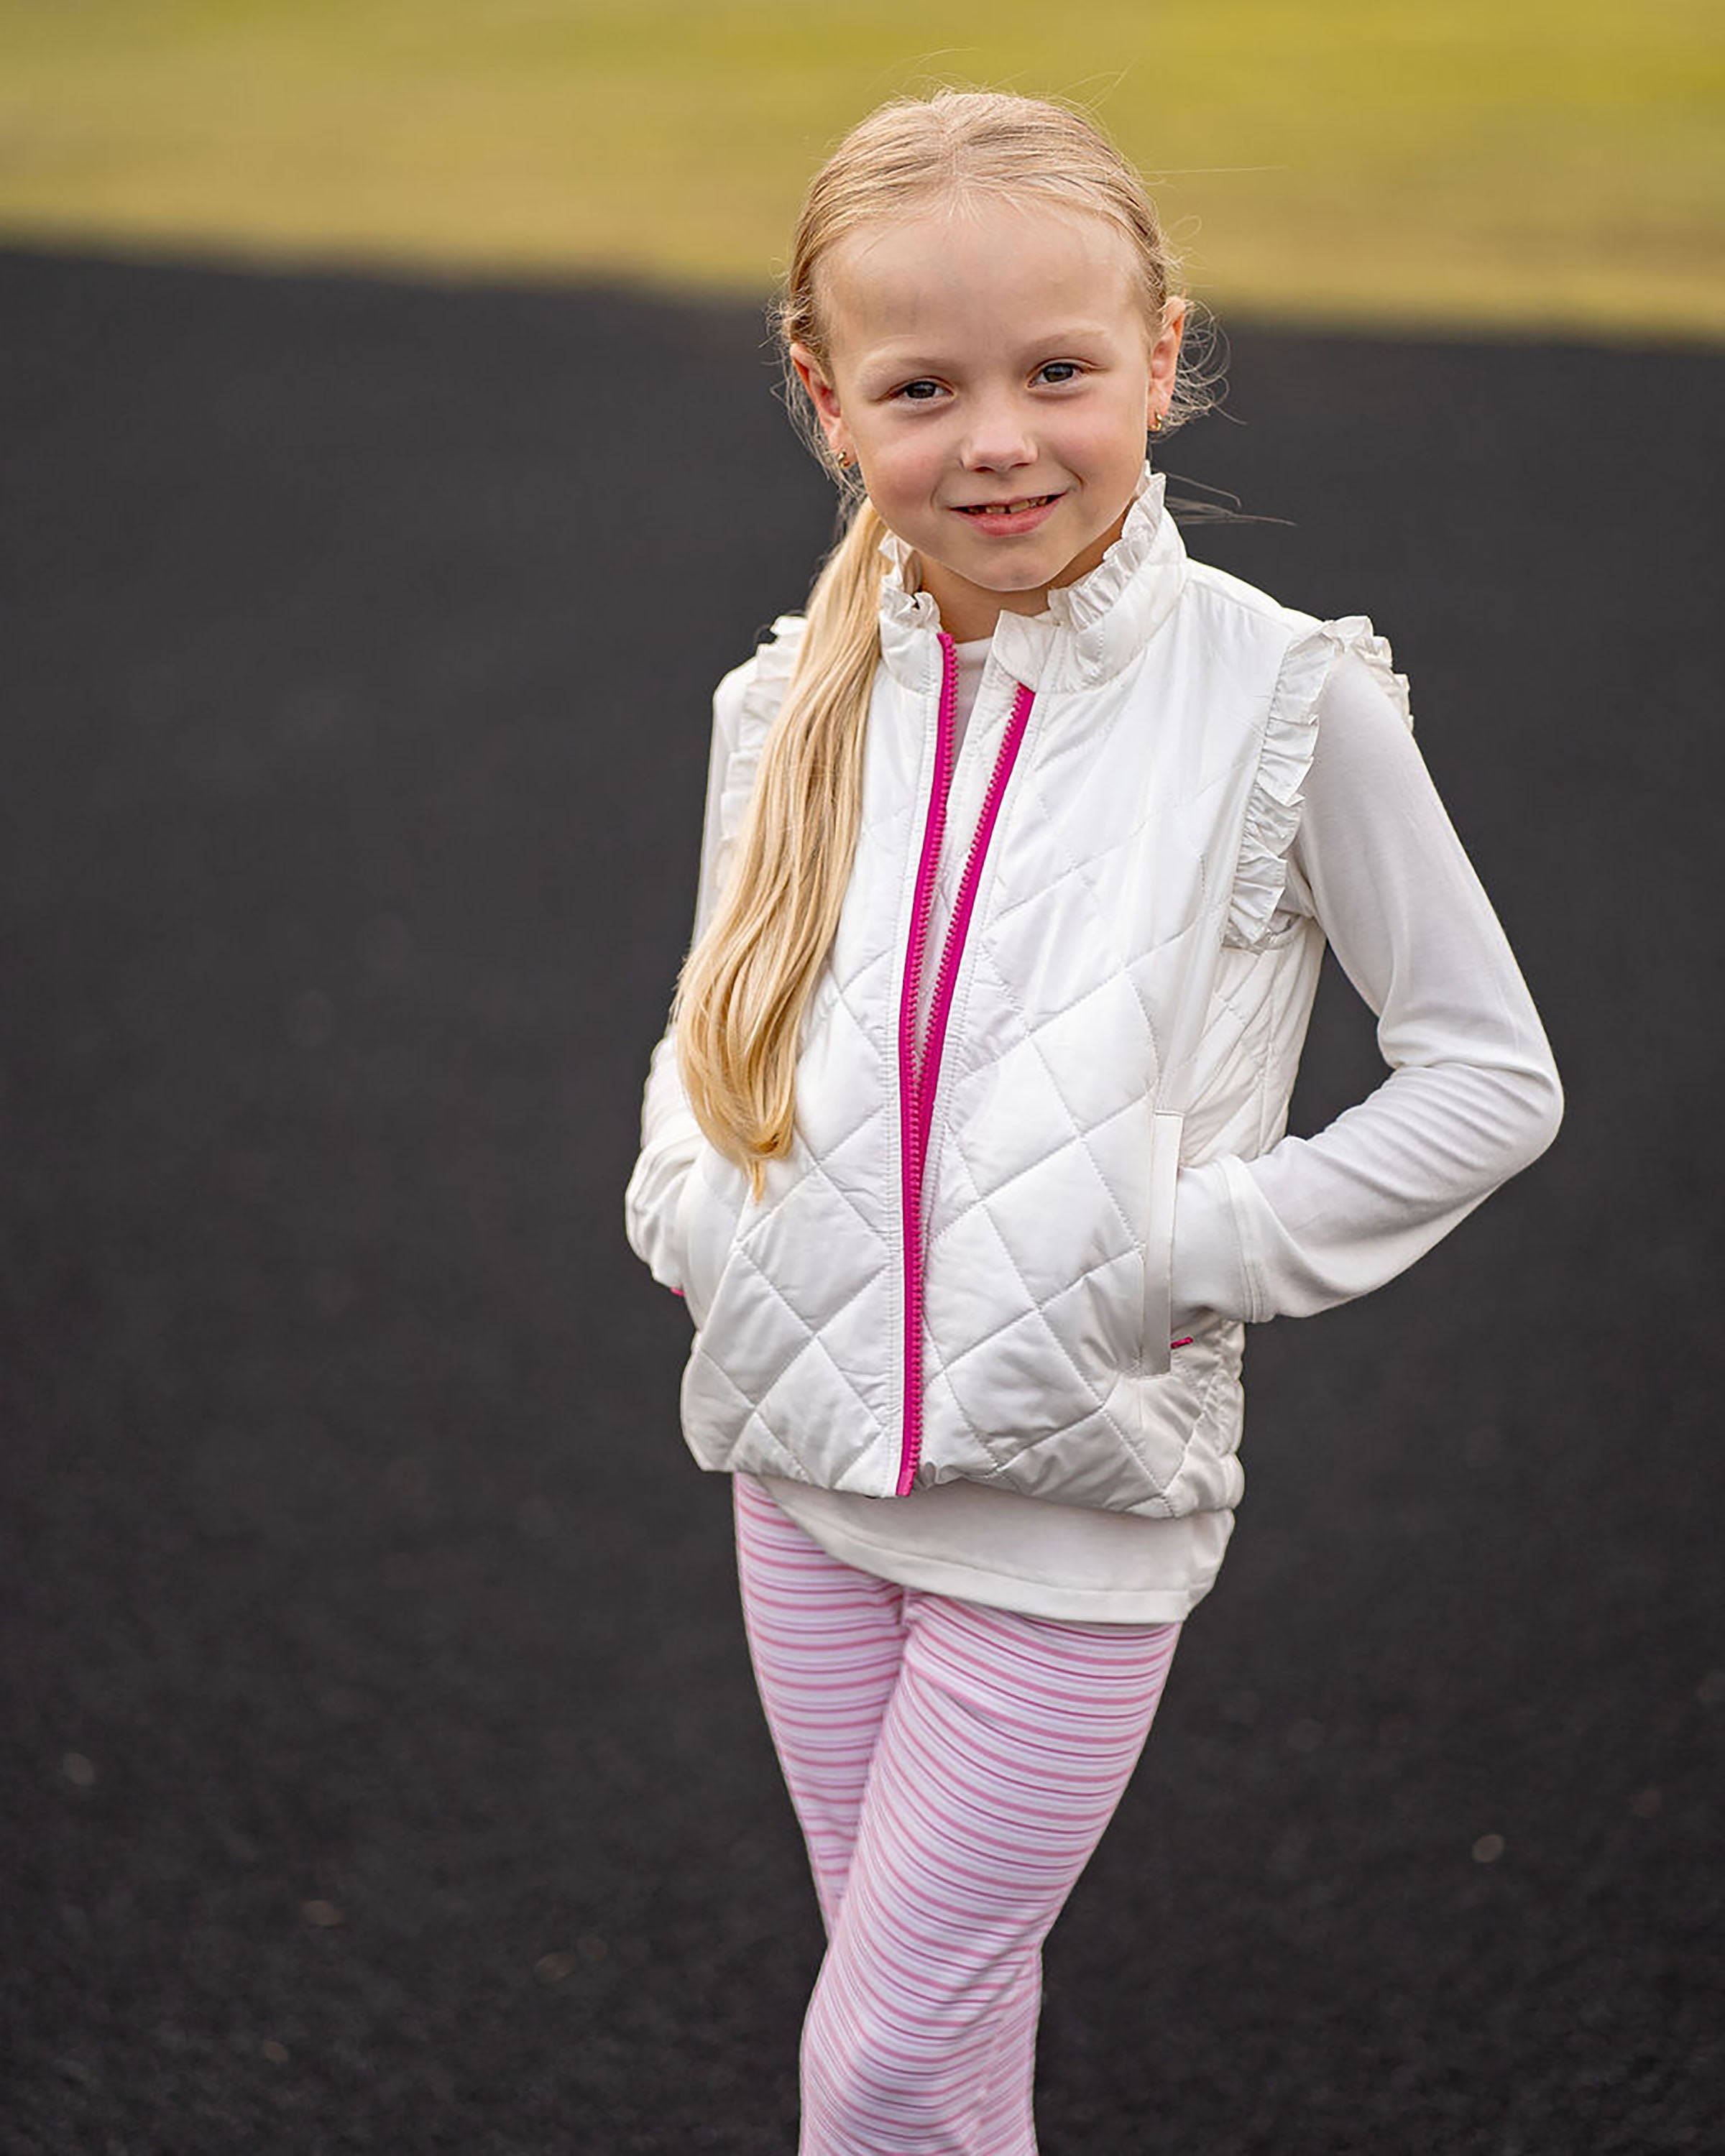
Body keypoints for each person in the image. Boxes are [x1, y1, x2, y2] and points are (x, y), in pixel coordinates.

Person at [624, 88, 1561, 2156]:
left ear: (1162, 350)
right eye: (921, 385)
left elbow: (1489, 1071)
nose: (998, 439)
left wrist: (1182, 1251)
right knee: (940, 2047)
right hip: (797, 1485)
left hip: (1071, 1522)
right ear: (824, 393)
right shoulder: (783, 704)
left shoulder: (1288, 694)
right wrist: (700, 1215)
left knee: (872, 2063)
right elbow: (716, 1024)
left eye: (1059, 370)